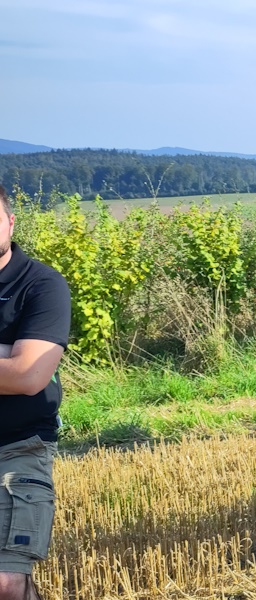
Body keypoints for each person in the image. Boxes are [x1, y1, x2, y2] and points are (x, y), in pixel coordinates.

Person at [0, 185, 71, 600]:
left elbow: (29, 376)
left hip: (18, 447)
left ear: (10, 222)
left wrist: (20, 361)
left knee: (7, 583)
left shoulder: (41, 285)